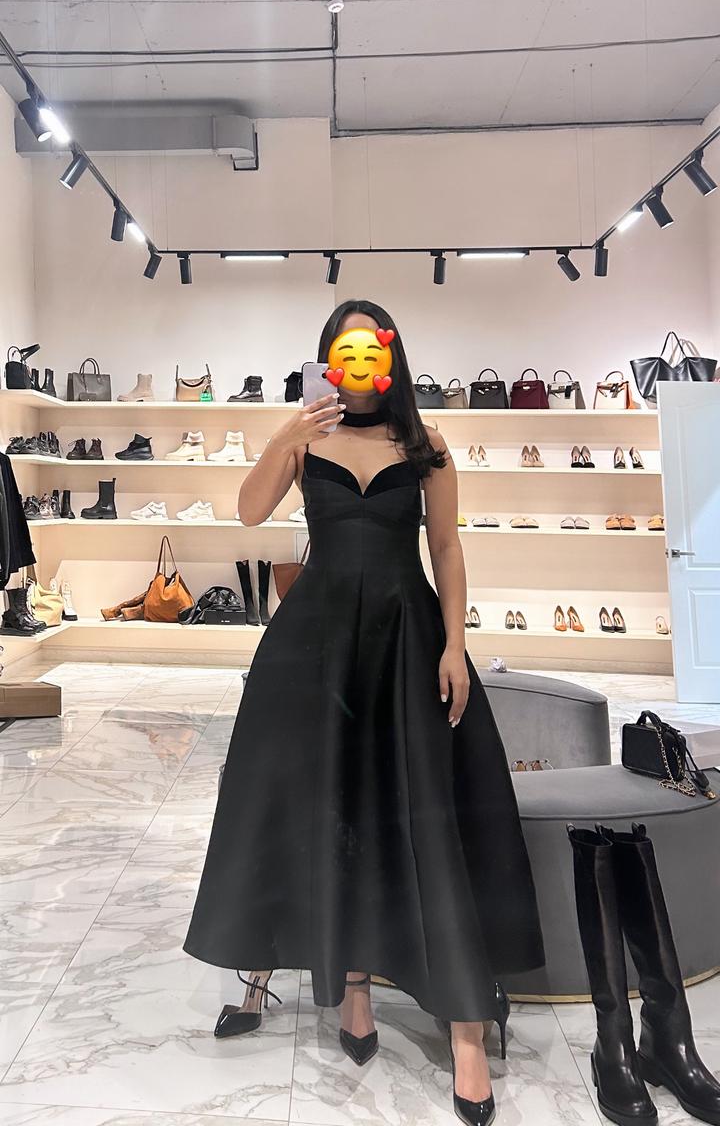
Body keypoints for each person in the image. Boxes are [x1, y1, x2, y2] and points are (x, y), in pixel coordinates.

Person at [184, 300, 544, 1124]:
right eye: (339, 355)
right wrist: (286, 432)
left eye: (369, 351)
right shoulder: (306, 437)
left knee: (420, 814)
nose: (356, 369)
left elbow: (446, 547)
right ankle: (347, 987)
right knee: (311, 806)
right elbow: (248, 512)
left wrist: (455, 645)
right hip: (312, 645)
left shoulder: (425, 444)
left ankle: (463, 1025)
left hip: (404, 638)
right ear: (325, 362)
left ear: (390, 357)